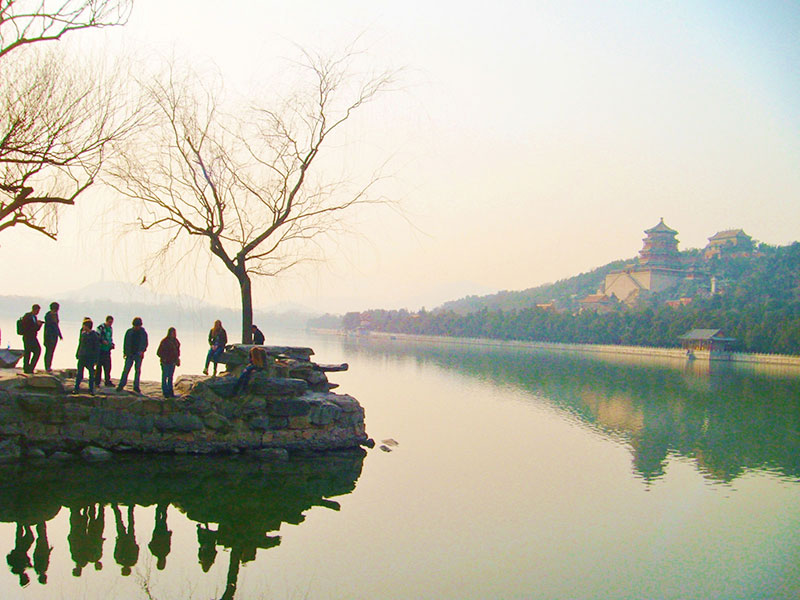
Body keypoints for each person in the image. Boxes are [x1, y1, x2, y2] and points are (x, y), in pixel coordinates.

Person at [116, 317, 148, 393]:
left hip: (138, 354)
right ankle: (121, 385)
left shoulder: (143, 333)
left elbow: (145, 343)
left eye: (138, 326)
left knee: (137, 371)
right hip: (130, 354)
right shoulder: (129, 332)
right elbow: (125, 342)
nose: (136, 327)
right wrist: (125, 352)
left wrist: (142, 351)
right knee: (126, 370)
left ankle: (136, 386)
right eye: (135, 326)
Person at [73, 318, 101, 394]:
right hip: (82, 356)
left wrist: (96, 360)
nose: (83, 327)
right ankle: (76, 389)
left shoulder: (94, 336)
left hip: (90, 357)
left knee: (91, 374)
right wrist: (78, 353)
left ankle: (91, 389)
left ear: (87, 326)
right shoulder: (83, 334)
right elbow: (80, 345)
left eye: (84, 326)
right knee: (79, 373)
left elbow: (96, 348)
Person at [156, 327, 180, 398]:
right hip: (165, 362)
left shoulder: (176, 341)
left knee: (170, 377)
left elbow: (177, 352)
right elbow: (159, 352)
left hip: (172, 362)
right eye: (172, 333)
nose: (173, 334)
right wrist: (164, 358)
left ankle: (170, 391)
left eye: (174, 333)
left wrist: (177, 359)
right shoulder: (164, 341)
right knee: (165, 376)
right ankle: (165, 392)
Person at [20, 304, 43, 373]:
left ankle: (31, 367)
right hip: (27, 337)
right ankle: (26, 368)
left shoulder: (34, 317)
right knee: (28, 352)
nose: (38, 312)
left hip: (33, 337)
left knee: (37, 351)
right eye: (37, 310)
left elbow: (35, 329)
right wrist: (36, 325)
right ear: (34, 309)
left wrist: (39, 325)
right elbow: (29, 328)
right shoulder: (28, 316)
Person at [42, 302, 63, 372]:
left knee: (51, 351)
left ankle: (49, 365)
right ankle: (47, 366)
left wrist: (60, 335)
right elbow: (49, 327)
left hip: (54, 336)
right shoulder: (48, 315)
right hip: (48, 336)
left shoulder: (55, 315)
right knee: (48, 351)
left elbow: (56, 326)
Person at [95, 316, 115, 387]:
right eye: (109, 322)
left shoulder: (110, 329)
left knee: (108, 366)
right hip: (100, 350)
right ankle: (97, 382)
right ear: (106, 321)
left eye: (112, 322)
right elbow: (97, 336)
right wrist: (102, 341)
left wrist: (111, 344)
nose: (110, 324)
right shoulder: (101, 327)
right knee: (99, 366)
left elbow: (110, 338)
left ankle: (107, 381)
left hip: (107, 350)